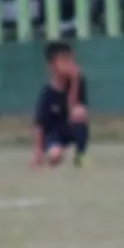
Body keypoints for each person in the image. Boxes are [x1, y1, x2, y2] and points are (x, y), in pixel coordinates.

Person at [31, 39, 89, 168]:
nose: (69, 65)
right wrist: (37, 154)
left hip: (69, 128)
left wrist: (75, 81)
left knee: (80, 112)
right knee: (55, 156)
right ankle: (54, 151)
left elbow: (72, 108)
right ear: (51, 65)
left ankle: (80, 156)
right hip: (52, 134)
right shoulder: (47, 93)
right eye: (63, 61)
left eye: (70, 60)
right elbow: (39, 126)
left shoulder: (78, 82)